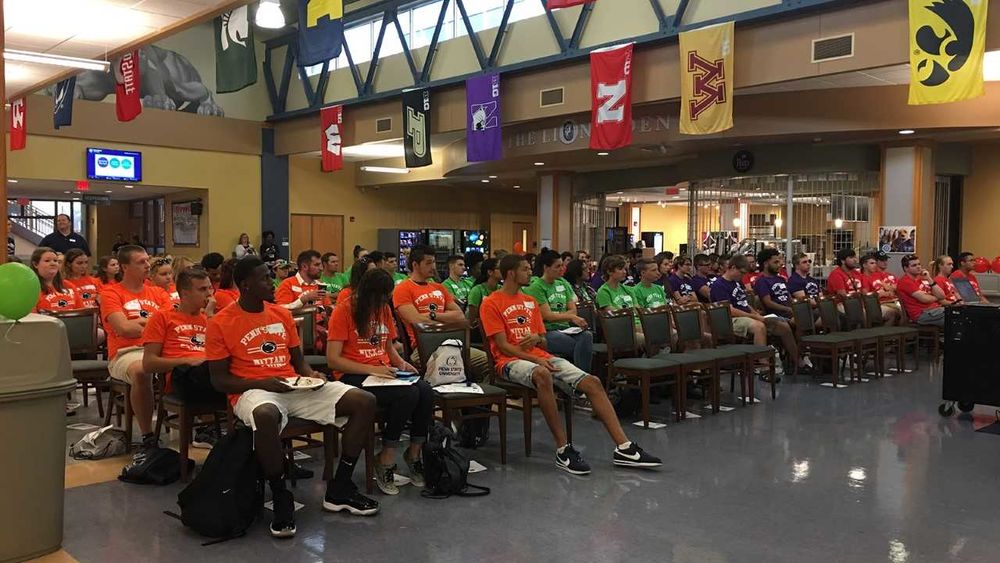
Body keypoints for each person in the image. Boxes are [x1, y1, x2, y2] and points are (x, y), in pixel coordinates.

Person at [207, 258, 379, 538]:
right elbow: (219, 380)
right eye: (264, 279)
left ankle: (340, 488)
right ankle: (280, 495)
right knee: (265, 416)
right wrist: (264, 382)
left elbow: (299, 363)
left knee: (364, 401)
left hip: (292, 385)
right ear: (246, 285)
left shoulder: (281, 314)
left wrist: (313, 377)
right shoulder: (221, 322)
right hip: (253, 389)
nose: (272, 283)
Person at [481, 254, 661, 474]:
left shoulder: (529, 302)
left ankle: (623, 447)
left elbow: (543, 338)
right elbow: (502, 346)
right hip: (510, 362)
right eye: (526, 269)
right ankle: (563, 449)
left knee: (593, 382)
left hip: (541, 356)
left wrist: (538, 341)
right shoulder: (491, 302)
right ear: (511, 273)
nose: (530, 272)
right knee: (542, 375)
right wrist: (536, 358)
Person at [327, 268, 430, 495]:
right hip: (352, 374)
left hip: (381, 371)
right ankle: (386, 457)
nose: (384, 303)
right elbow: (333, 360)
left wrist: (402, 364)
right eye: (381, 298)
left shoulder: (383, 309)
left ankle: (414, 453)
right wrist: (372, 368)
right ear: (368, 294)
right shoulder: (344, 311)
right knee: (408, 394)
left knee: (424, 389)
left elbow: (387, 346)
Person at [100, 245, 172, 452]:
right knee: (142, 371)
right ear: (124, 267)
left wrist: (140, 322)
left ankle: (203, 429)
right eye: (141, 262)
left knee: (195, 364)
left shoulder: (158, 293)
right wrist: (153, 324)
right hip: (125, 353)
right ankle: (148, 435)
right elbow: (124, 329)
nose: (148, 265)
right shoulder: (110, 293)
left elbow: (169, 326)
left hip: (159, 349)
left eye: (147, 260)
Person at [142, 267, 220, 447]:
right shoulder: (162, 317)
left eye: (209, 288)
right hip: (182, 376)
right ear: (184, 294)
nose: (209, 294)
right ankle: (206, 430)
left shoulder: (209, 318)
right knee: (207, 370)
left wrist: (210, 318)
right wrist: (186, 360)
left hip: (210, 372)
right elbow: (148, 364)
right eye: (202, 289)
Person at [393, 245, 492, 382]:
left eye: (433, 262)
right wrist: (447, 320)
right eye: (428, 263)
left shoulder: (439, 287)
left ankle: (473, 399)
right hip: (425, 346)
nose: (433, 266)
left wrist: (433, 315)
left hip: (454, 343)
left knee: (489, 362)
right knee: (448, 363)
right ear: (415, 265)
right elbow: (417, 321)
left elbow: (460, 317)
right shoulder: (403, 289)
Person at [711, 254, 799, 376]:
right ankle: (764, 368)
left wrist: (755, 313)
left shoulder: (737, 283)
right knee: (759, 326)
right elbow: (729, 310)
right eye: (741, 273)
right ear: (732, 267)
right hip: (730, 320)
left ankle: (797, 363)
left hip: (746, 316)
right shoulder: (719, 285)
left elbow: (744, 304)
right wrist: (755, 317)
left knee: (783, 327)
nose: (742, 276)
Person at [523, 250, 593, 372]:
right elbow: (547, 316)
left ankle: (581, 378)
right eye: (558, 266)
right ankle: (581, 380)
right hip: (548, 331)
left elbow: (573, 310)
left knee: (587, 335)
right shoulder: (537, 287)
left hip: (566, 329)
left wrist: (567, 316)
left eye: (562, 265)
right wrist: (569, 317)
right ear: (546, 267)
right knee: (579, 347)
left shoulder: (562, 284)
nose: (562, 269)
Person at [896, 255, 946, 327]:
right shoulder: (905, 281)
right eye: (914, 265)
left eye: (919, 264)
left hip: (935, 311)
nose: (918, 267)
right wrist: (936, 297)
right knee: (953, 317)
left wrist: (929, 279)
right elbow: (925, 299)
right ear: (906, 268)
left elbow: (942, 295)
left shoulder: (923, 279)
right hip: (921, 314)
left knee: (957, 316)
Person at [31, 247, 84, 313]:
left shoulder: (69, 286)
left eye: (55, 261)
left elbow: (81, 312)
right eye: (47, 261)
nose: (53, 263)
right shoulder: (31, 289)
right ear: (35, 264)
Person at [861, 253, 901, 325]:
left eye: (875, 263)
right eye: (872, 263)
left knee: (903, 310)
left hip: (891, 300)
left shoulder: (878, 275)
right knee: (897, 312)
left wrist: (887, 292)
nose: (875, 265)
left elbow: (889, 288)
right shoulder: (863, 278)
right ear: (864, 265)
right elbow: (865, 296)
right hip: (878, 303)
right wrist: (880, 294)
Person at [467, 258, 501, 327]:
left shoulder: (501, 288)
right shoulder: (477, 290)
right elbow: (472, 319)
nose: (504, 271)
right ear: (490, 272)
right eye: (500, 268)